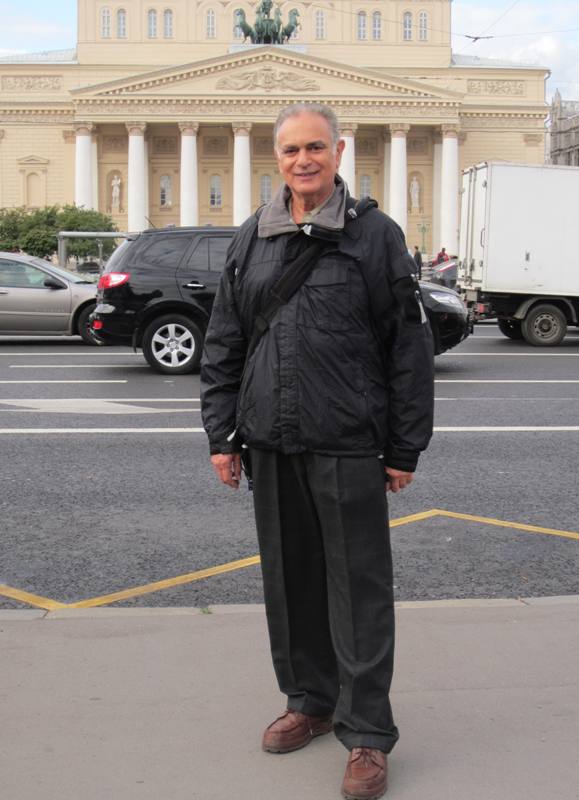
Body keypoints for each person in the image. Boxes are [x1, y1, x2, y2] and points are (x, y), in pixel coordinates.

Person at [200, 103, 434, 800]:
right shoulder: (252, 238)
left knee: (358, 594)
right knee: (291, 584)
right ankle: (310, 700)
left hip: (348, 445)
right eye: (291, 150)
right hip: (271, 443)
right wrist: (222, 434)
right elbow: (223, 343)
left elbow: (408, 349)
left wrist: (404, 447)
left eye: (315, 148)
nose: (303, 160)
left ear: (338, 151)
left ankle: (366, 734)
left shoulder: (376, 238)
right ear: (277, 157)